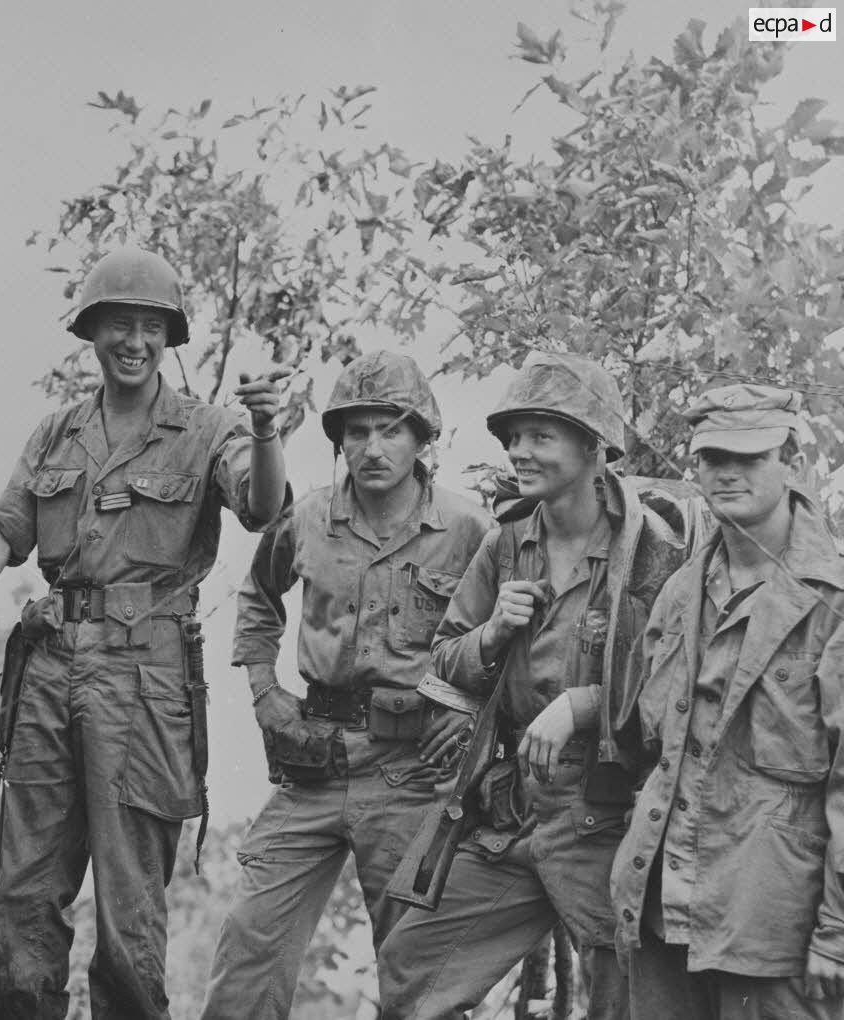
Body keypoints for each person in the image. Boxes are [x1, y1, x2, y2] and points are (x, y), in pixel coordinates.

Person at [0, 245, 289, 1019]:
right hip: (47, 671)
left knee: (129, 904)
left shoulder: (212, 430)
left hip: (144, 682)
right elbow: (7, 525)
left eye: (150, 327)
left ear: (170, 338)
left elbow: (260, 505)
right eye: (118, 325)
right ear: (92, 332)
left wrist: (269, 431)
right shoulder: (55, 434)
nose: (133, 342)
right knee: (24, 894)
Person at [377, 350, 689, 1020]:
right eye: (514, 436)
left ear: (593, 444)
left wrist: (584, 707)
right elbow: (445, 661)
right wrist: (490, 635)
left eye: (540, 435)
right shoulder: (509, 538)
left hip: (607, 821)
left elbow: (682, 692)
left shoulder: (654, 551)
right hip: (513, 813)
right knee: (411, 969)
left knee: (633, 1002)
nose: (520, 450)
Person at [199, 351, 491, 1020]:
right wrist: (262, 689)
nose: (372, 447)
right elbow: (258, 598)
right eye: (355, 432)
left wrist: (471, 714)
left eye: (390, 429)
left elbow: (508, 641)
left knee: (417, 966)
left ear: (423, 439)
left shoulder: (469, 531)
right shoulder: (308, 519)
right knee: (252, 939)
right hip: (315, 761)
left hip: (412, 772)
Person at [611, 384, 844, 1019]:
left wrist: (837, 933)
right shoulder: (682, 592)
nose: (727, 473)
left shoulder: (831, 602)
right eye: (714, 458)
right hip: (663, 909)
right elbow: (649, 747)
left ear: (791, 463)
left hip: (773, 927)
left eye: (749, 457)